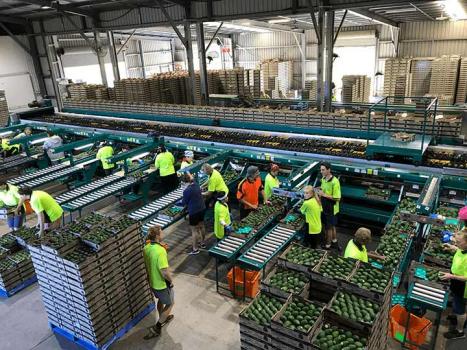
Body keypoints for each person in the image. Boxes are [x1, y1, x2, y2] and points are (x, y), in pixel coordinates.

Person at [143, 226, 175, 340]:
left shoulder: (146, 247)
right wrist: (171, 281)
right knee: (171, 303)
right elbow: (164, 271)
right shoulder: (161, 251)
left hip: (152, 282)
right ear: (157, 236)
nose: (163, 234)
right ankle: (157, 327)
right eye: (161, 233)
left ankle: (163, 317)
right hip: (162, 284)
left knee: (161, 300)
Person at [440, 229, 467, 340]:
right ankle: (456, 315)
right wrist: (452, 247)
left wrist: (451, 276)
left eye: (459, 242)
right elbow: (460, 251)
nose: (456, 243)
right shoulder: (463, 249)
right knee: (456, 303)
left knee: (460, 308)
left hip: (463, 287)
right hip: (456, 282)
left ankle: (459, 331)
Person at [317, 162, 341, 250]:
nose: (321, 171)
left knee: (329, 228)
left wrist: (323, 194)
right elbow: (323, 189)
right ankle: (334, 242)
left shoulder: (335, 182)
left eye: (323, 170)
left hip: (331, 208)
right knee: (332, 226)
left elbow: (337, 198)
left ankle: (328, 245)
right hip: (325, 206)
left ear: (329, 170)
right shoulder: (323, 179)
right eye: (321, 170)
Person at [181, 173, 206, 255]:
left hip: (194, 211)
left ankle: (195, 249)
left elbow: (184, 202)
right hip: (202, 208)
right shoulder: (196, 185)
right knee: (202, 226)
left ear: (185, 182)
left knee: (194, 230)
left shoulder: (186, 191)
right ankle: (202, 243)